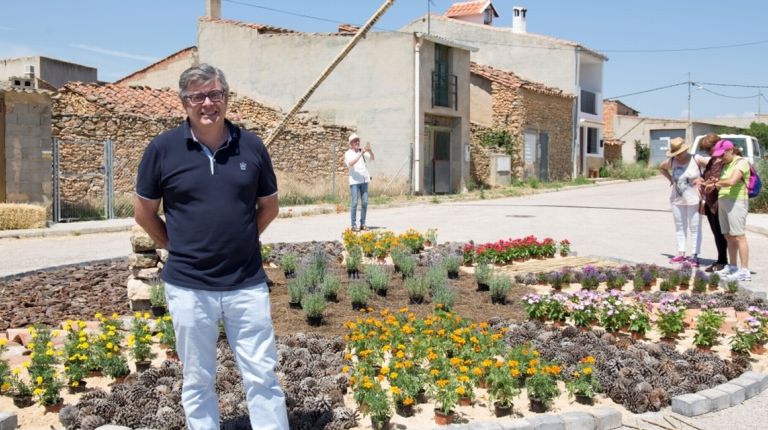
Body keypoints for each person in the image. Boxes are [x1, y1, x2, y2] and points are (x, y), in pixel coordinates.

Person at [134, 64, 289, 430]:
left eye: (215, 95)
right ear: (184, 103)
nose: (207, 103)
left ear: (226, 98)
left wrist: (243, 239)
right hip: (189, 287)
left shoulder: (251, 146)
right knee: (198, 379)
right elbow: (144, 214)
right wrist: (179, 247)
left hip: (246, 284)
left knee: (262, 376)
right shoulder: (162, 149)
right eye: (197, 96)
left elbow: (269, 207)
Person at [658, 137, 709, 267]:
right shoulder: (672, 160)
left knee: (695, 227)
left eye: (680, 153)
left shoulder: (696, 159)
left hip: (694, 199)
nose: (678, 156)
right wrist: (670, 179)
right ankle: (681, 253)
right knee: (680, 227)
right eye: (676, 154)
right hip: (677, 199)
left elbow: (713, 166)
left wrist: (705, 180)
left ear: (686, 149)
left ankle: (694, 255)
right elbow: (661, 167)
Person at [705, 139, 751, 281]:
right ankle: (732, 266)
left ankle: (744, 270)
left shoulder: (741, 162)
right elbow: (721, 184)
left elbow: (731, 181)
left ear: (730, 150)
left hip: (736, 202)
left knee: (739, 236)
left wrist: (715, 182)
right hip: (724, 201)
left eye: (722, 154)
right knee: (728, 236)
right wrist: (711, 184)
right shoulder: (725, 164)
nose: (720, 157)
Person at [697, 133, 729, 272]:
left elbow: (725, 180)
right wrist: (701, 181)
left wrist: (712, 182)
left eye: (709, 149)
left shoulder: (725, 161)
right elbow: (706, 177)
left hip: (721, 202)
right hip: (710, 202)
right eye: (706, 150)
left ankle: (724, 262)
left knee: (723, 233)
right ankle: (721, 260)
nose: (708, 152)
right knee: (716, 233)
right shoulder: (712, 161)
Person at [344, 132, 374, 231]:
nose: (357, 142)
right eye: (355, 141)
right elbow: (350, 163)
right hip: (354, 181)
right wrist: (360, 153)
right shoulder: (348, 153)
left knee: (365, 203)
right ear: (351, 143)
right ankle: (353, 225)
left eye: (358, 140)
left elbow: (372, 159)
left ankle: (363, 224)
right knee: (355, 203)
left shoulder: (362, 151)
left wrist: (370, 151)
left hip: (364, 180)